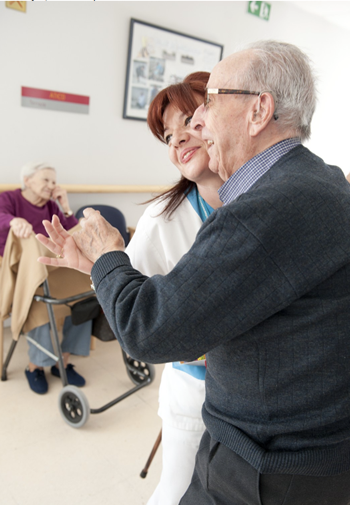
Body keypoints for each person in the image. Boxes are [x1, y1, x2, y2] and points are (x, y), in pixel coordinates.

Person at [37, 40, 350, 505]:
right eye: (171, 133)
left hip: (265, 466)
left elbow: (149, 326)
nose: (194, 127)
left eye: (208, 105)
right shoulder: (327, 182)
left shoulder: (259, 211)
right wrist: (98, 265)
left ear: (259, 110)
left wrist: (106, 254)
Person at [125, 72, 222, 504]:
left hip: (263, 396)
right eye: (167, 134)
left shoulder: (269, 199)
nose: (178, 139)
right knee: (179, 492)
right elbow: (127, 301)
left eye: (189, 120)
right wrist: (179, 342)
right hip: (195, 391)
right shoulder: (164, 217)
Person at [0, 162, 91, 394]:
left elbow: (72, 236)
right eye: (46, 180)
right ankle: (35, 366)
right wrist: (13, 221)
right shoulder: (9, 198)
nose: (51, 185)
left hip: (51, 267)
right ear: (27, 180)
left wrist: (66, 207)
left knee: (84, 295)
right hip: (21, 269)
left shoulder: (52, 206)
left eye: (54, 181)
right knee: (39, 301)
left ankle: (63, 361)